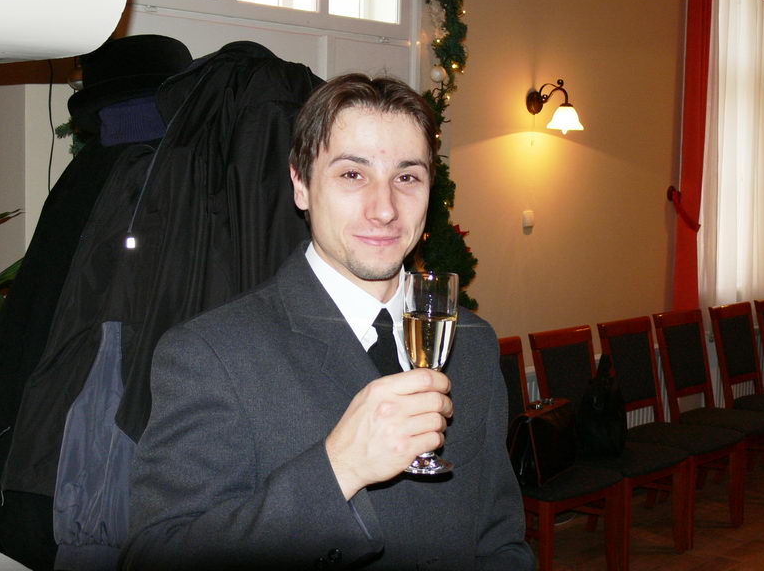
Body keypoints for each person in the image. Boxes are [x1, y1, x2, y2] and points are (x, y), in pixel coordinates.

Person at [119, 73, 534, 570]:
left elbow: (500, 537)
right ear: (301, 184)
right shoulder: (211, 354)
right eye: (352, 175)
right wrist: (339, 467)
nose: (384, 209)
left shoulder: (472, 340)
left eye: (407, 177)